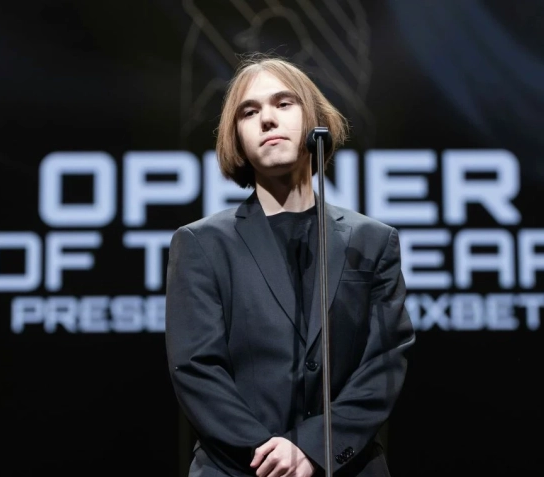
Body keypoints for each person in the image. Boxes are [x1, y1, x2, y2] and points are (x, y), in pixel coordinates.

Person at [165, 53, 415, 477]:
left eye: (283, 104)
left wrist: (314, 446)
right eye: (249, 112)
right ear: (236, 136)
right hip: (237, 467)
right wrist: (268, 452)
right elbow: (195, 367)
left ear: (314, 121)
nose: (267, 119)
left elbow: (384, 361)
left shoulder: (371, 241)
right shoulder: (202, 244)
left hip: (345, 465)